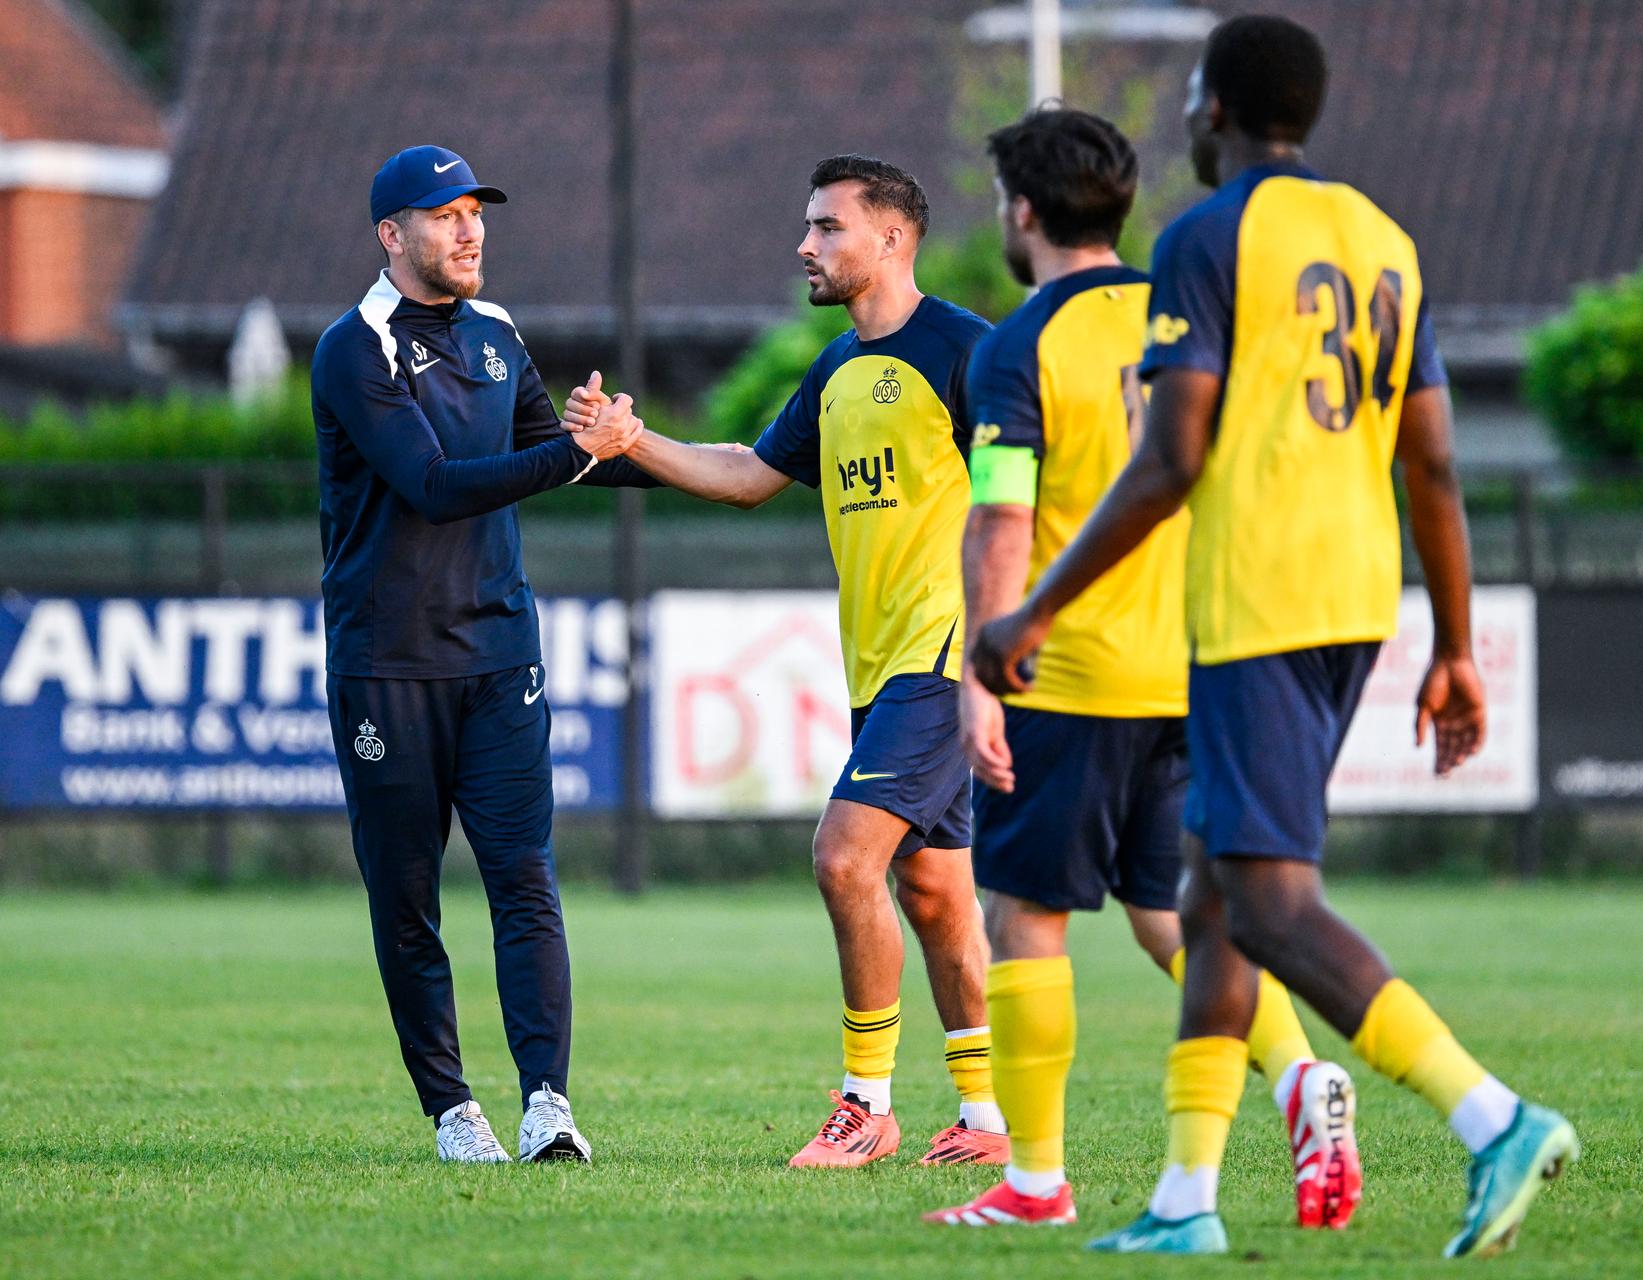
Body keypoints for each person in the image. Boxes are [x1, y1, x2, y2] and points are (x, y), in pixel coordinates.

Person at [974, 16, 1577, 1258]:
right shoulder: (1382, 239)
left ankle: (1494, 1115)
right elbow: (1436, 459)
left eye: (1193, 99)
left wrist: (1035, 605)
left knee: (1272, 905)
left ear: (1213, 109)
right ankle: (1186, 1202)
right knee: (1206, 902)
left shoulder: (1209, 236)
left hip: (1261, 603)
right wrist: (1454, 644)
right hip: (1357, 597)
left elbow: (1174, 453)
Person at [924, 106, 1358, 1233]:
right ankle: (1305, 1076)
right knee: (1177, 913)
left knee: (1027, 914)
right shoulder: (1190, 307)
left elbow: (1002, 518)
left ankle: (1035, 1182)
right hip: (1199, 666)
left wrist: (985, 669)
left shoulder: (1017, 345)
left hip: (1073, 673)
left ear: (1021, 211)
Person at [567, 155, 1009, 1169]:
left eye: (826, 228)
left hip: (944, 656)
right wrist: (633, 443)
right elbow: (747, 475)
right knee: (935, 893)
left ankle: (867, 1105)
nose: (805, 247)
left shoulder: (968, 352)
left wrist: (1004, 634)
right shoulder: (834, 370)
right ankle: (986, 1122)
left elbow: (1029, 497)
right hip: (880, 665)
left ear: (892, 238)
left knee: (845, 857)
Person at [312, 144, 657, 1163]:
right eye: (444, 214)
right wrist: (578, 450)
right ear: (392, 235)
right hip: (389, 659)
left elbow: (558, 457)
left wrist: (636, 444)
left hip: (502, 652)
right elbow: (433, 480)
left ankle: (547, 1102)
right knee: (407, 894)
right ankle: (453, 1111)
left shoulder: (500, 332)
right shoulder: (352, 345)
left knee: (524, 877)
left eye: (476, 212)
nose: (470, 231)